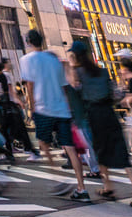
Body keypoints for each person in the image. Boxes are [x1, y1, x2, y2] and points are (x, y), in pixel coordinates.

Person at [71, 40, 132, 207]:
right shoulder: (103, 72)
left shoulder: (77, 73)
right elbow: (115, 95)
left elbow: (77, 95)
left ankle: (108, 187)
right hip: (109, 114)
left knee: (100, 150)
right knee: (122, 152)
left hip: (94, 115)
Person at [18, 29, 87, 199]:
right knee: (70, 148)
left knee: (44, 144)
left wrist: (31, 107)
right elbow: (64, 86)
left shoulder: (26, 59)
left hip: (43, 108)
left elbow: (30, 85)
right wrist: (67, 106)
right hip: (61, 109)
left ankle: (57, 177)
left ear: (28, 42)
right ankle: (81, 188)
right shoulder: (54, 59)